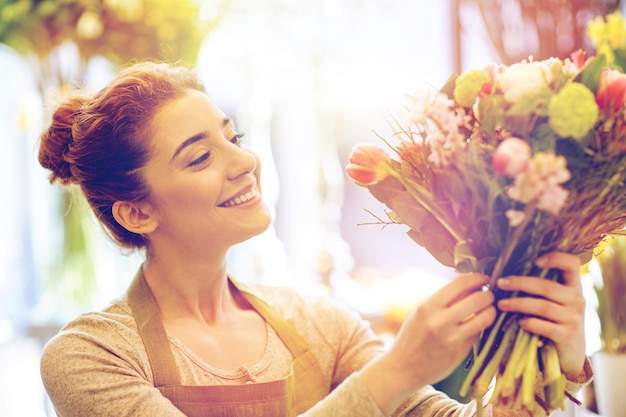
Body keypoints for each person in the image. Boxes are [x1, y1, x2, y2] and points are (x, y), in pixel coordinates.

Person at [38, 61, 592, 417]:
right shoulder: (90, 357)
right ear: (137, 212)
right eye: (201, 156)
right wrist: (398, 369)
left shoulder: (319, 324)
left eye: (236, 138)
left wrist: (555, 352)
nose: (246, 161)